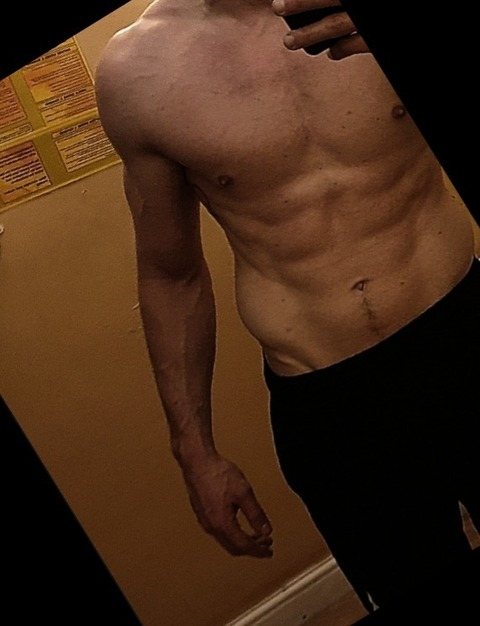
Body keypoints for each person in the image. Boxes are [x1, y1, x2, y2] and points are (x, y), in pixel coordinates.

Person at [94, 0, 479, 612]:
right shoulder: (135, 70)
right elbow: (171, 275)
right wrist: (195, 452)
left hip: (469, 329)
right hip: (332, 403)